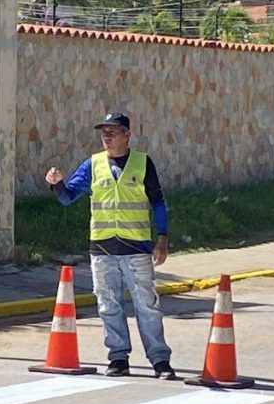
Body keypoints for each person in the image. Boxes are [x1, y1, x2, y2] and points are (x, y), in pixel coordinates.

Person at [44, 112, 176, 379]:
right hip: (103, 250)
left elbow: (158, 202)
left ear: (127, 135)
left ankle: (160, 360)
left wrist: (162, 238)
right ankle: (118, 358)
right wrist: (57, 185)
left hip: (136, 249)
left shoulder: (142, 163)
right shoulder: (93, 164)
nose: (107, 136)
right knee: (108, 305)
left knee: (147, 306)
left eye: (113, 131)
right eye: (104, 131)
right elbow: (68, 197)